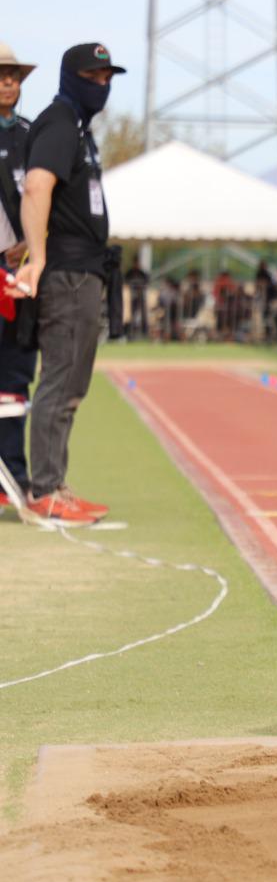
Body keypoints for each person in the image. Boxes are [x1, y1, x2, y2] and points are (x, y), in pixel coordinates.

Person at [9, 43, 126, 526]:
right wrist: (36, 256)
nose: (101, 85)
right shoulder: (59, 120)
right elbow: (36, 186)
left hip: (84, 270)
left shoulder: (77, 127)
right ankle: (46, 491)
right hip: (68, 273)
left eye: (107, 77)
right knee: (61, 380)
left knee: (71, 381)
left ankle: (55, 484)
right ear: (70, 78)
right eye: (92, 76)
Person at [0, 41, 37, 504]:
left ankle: (14, 477)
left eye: (14, 75)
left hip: (25, 269)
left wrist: (30, 243)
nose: (9, 82)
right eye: (1, 74)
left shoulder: (33, 134)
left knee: (16, 373)